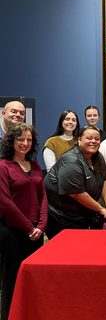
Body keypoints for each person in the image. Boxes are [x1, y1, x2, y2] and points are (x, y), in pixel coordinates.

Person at [0, 123, 47, 320]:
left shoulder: (35, 166)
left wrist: (41, 227)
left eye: (29, 140)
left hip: (35, 233)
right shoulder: (3, 166)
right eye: (20, 139)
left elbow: (43, 198)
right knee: (11, 280)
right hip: (12, 232)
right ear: (12, 141)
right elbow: (5, 201)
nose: (25, 143)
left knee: (33, 280)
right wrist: (29, 228)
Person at [44, 127, 106, 239]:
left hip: (82, 218)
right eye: (89, 138)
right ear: (79, 140)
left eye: (96, 139)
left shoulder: (97, 156)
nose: (93, 141)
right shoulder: (71, 160)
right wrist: (101, 209)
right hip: (62, 220)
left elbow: (104, 180)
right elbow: (76, 193)